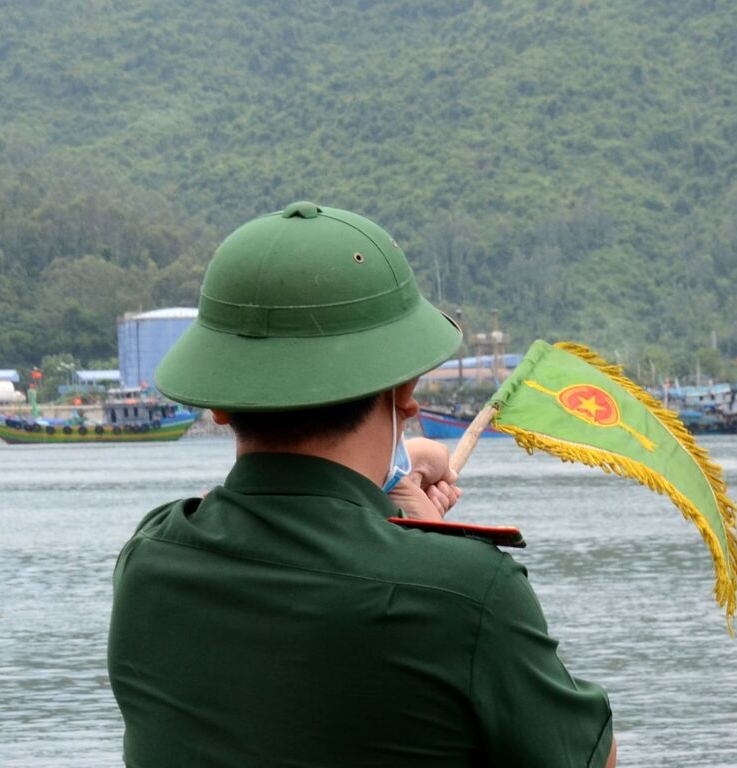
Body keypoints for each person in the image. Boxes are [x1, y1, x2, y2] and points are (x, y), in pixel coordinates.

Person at [108, 202, 615, 767]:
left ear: (221, 405)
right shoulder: (468, 596)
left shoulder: (148, 564)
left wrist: (395, 489)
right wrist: (428, 538)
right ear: (406, 391)